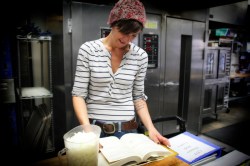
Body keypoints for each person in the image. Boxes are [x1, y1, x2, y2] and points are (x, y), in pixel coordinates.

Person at [71, 0, 170, 147]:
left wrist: (151, 129)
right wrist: (88, 131)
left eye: (133, 35)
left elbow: (138, 97)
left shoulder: (140, 56)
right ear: (113, 24)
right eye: (124, 32)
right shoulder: (88, 50)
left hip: (127, 131)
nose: (127, 39)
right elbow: (78, 94)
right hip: (94, 129)